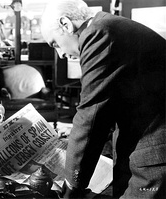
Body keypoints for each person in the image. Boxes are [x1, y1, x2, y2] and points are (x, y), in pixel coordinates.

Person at [41, 0, 166, 198]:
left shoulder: (98, 33)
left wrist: (71, 185)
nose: (61, 54)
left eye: (55, 44)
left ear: (65, 24)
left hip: (155, 156)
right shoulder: (108, 25)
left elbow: (90, 115)